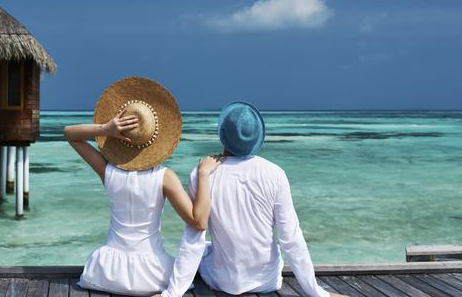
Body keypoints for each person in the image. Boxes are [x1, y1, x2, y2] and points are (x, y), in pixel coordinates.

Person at [159, 102, 346, 297]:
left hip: (222, 282)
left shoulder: (201, 175)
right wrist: (318, 293)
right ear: (256, 137)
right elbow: (291, 239)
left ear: (222, 135)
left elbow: (193, 238)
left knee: (205, 248)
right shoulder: (275, 174)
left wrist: (172, 293)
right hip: (267, 281)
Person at [63, 77, 221, 296]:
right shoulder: (165, 177)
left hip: (104, 273)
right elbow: (199, 221)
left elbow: (70, 134)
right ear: (157, 139)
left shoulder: (108, 172)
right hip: (151, 275)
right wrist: (203, 175)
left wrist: (106, 129)